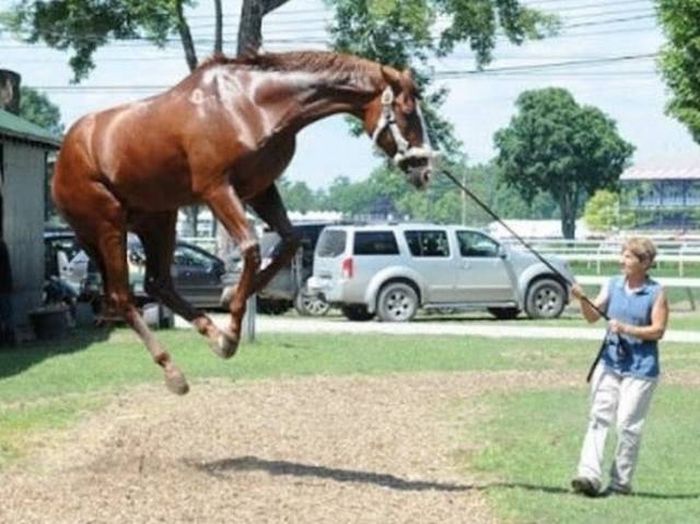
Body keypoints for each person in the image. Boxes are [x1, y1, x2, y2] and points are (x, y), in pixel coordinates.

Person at [570, 236, 669, 497]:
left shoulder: (656, 293)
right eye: (623, 255)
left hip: (641, 368)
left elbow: (658, 330)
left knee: (627, 424)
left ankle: (620, 483)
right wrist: (583, 299)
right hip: (610, 362)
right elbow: (593, 317)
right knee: (599, 416)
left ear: (645, 262)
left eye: (628, 256)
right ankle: (588, 475)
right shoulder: (612, 285)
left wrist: (626, 328)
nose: (621, 261)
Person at [0, 238, 15, 345]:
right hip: (5, 286)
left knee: (6, 314)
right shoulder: (2, 245)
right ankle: (9, 338)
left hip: (3, 286)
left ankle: (7, 338)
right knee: (7, 314)